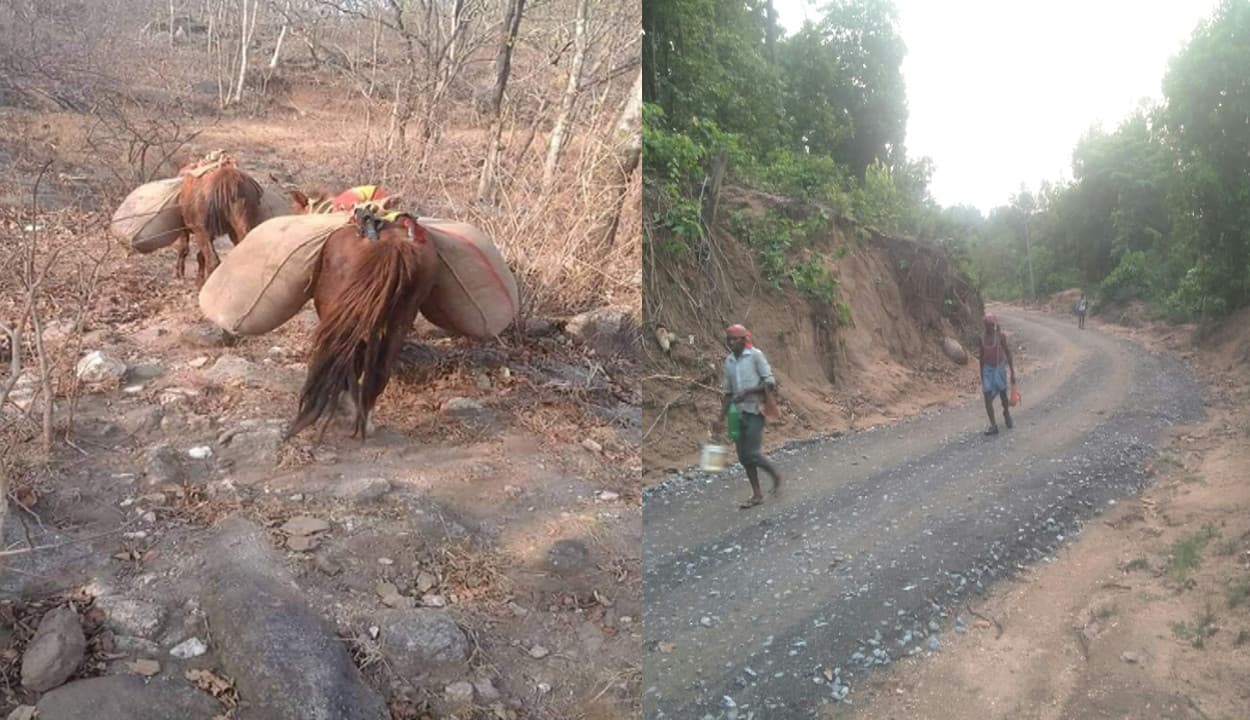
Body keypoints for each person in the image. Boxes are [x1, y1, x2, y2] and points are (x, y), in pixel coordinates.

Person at [712, 324, 783, 509]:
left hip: (754, 410)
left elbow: (770, 383)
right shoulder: (729, 362)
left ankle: (774, 475)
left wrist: (748, 391)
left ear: (744, 340)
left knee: (752, 452)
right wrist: (721, 418)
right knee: (743, 457)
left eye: (735, 339)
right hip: (737, 412)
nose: (731, 343)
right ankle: (757, 494)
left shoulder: (755, 356)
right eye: (729, 340)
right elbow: (727, 393)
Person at [978, 313, 1016, 435]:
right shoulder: (982, 338)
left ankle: (1006, 412)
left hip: (999, 368)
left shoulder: (1000, 337)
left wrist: (1012, 372)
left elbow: (1008, 353)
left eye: (991, 325)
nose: (990, 327)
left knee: (1003, 395)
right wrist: (982, 376)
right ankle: (993, 425)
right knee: (987, 397)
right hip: (988, 369)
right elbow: (981, 358)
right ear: (985, 325)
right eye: (988, 325)